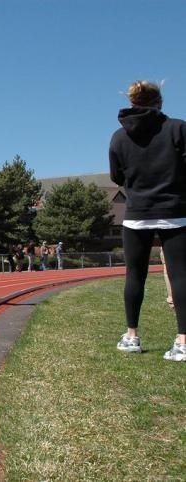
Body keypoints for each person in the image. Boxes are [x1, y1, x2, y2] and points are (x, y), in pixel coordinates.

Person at [109, 80, 186, 362]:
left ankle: (132, 337)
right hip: (175, 210)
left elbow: (117, 177)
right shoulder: (178, 128)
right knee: (180, 276)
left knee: (134, 275)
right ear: (160, 103)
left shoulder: (118, 137)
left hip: (137, 214)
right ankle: (183, 341)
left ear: (133, 104)